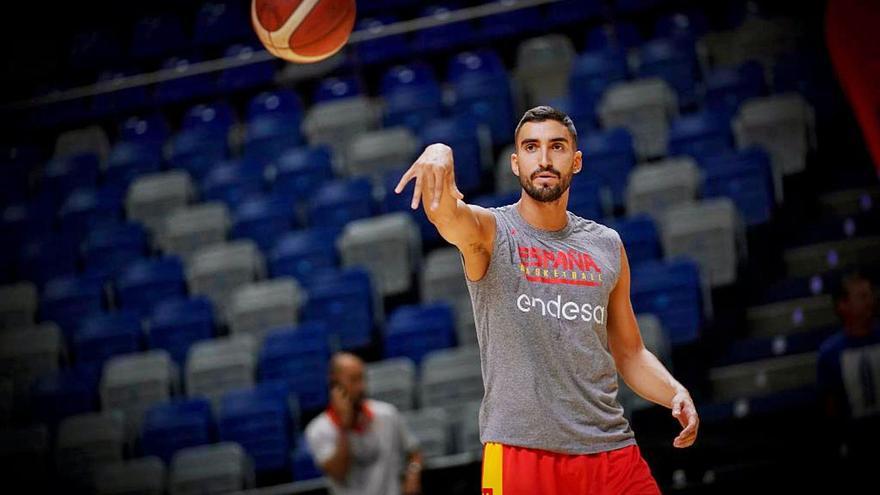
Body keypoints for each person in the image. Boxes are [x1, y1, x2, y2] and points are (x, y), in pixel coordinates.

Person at [394, 106, 699, 494]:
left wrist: (675, 391)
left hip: (610, 450)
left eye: (556, 147)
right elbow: (447, 216)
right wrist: (438, 150)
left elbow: (630, 352)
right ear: (516, 163)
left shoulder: (606, 245)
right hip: (522, 453)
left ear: (576, 161)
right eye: (531, 148)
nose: (544, 159)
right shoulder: (492, 231)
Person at [305, 352, 423, 495]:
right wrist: (344, 427)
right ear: (335, 385)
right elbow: (338, 473)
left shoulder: (387, 414)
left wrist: (413, 473)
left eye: (363, 378)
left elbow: (414, 452)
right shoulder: (318, 430)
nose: (361, 387)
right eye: (354, 380)